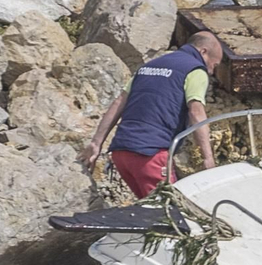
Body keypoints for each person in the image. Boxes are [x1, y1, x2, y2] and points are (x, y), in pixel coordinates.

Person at [80, 31, 223, 197]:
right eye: (214, 65)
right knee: (170, 210)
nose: (212, 71)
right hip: (150, 154)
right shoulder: (195, 70)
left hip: (121, 154)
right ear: (203, 51)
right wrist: (208, 159)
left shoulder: (149, 66)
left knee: (149, 210)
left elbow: (118, 103)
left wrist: (96, 143)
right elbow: (196, 113)